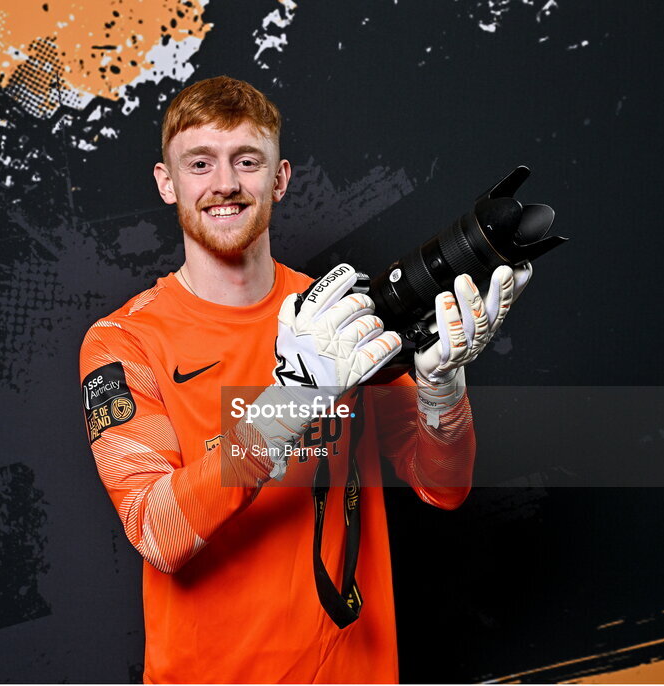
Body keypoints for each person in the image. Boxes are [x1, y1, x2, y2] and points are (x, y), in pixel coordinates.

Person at [79, 75, 529, 683]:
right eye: (200, 163)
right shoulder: (124, 341)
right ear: (167, 183)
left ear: (280, 178)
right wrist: (291, 400)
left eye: (247, 161)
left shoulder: (339, 315)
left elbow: (442, 487)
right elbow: (157, 532)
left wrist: (443, 391)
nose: (225, 183)